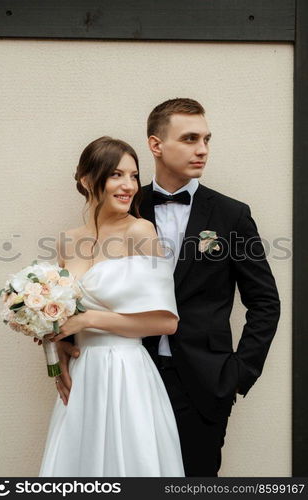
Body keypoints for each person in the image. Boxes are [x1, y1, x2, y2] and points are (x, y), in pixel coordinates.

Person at [55, 99, 281, 477]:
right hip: (125, 377)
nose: (203, 149)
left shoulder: (232, 214)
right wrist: (64, 340)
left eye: (206, 139)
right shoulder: (125, 203)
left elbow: (265, 302)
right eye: (190, 138)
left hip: (204, 383)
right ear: (156, 145)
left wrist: (237, 374)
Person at [38, 136, 185, 477]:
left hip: (126, 372)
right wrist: (56, 346)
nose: (129, 185)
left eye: (134, 176)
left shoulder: (141, 231)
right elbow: (58, 313)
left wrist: (89, 319)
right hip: (83, 373)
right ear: (88, 181)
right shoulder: (67, 240)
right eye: (117, 175)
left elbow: (165, 323)